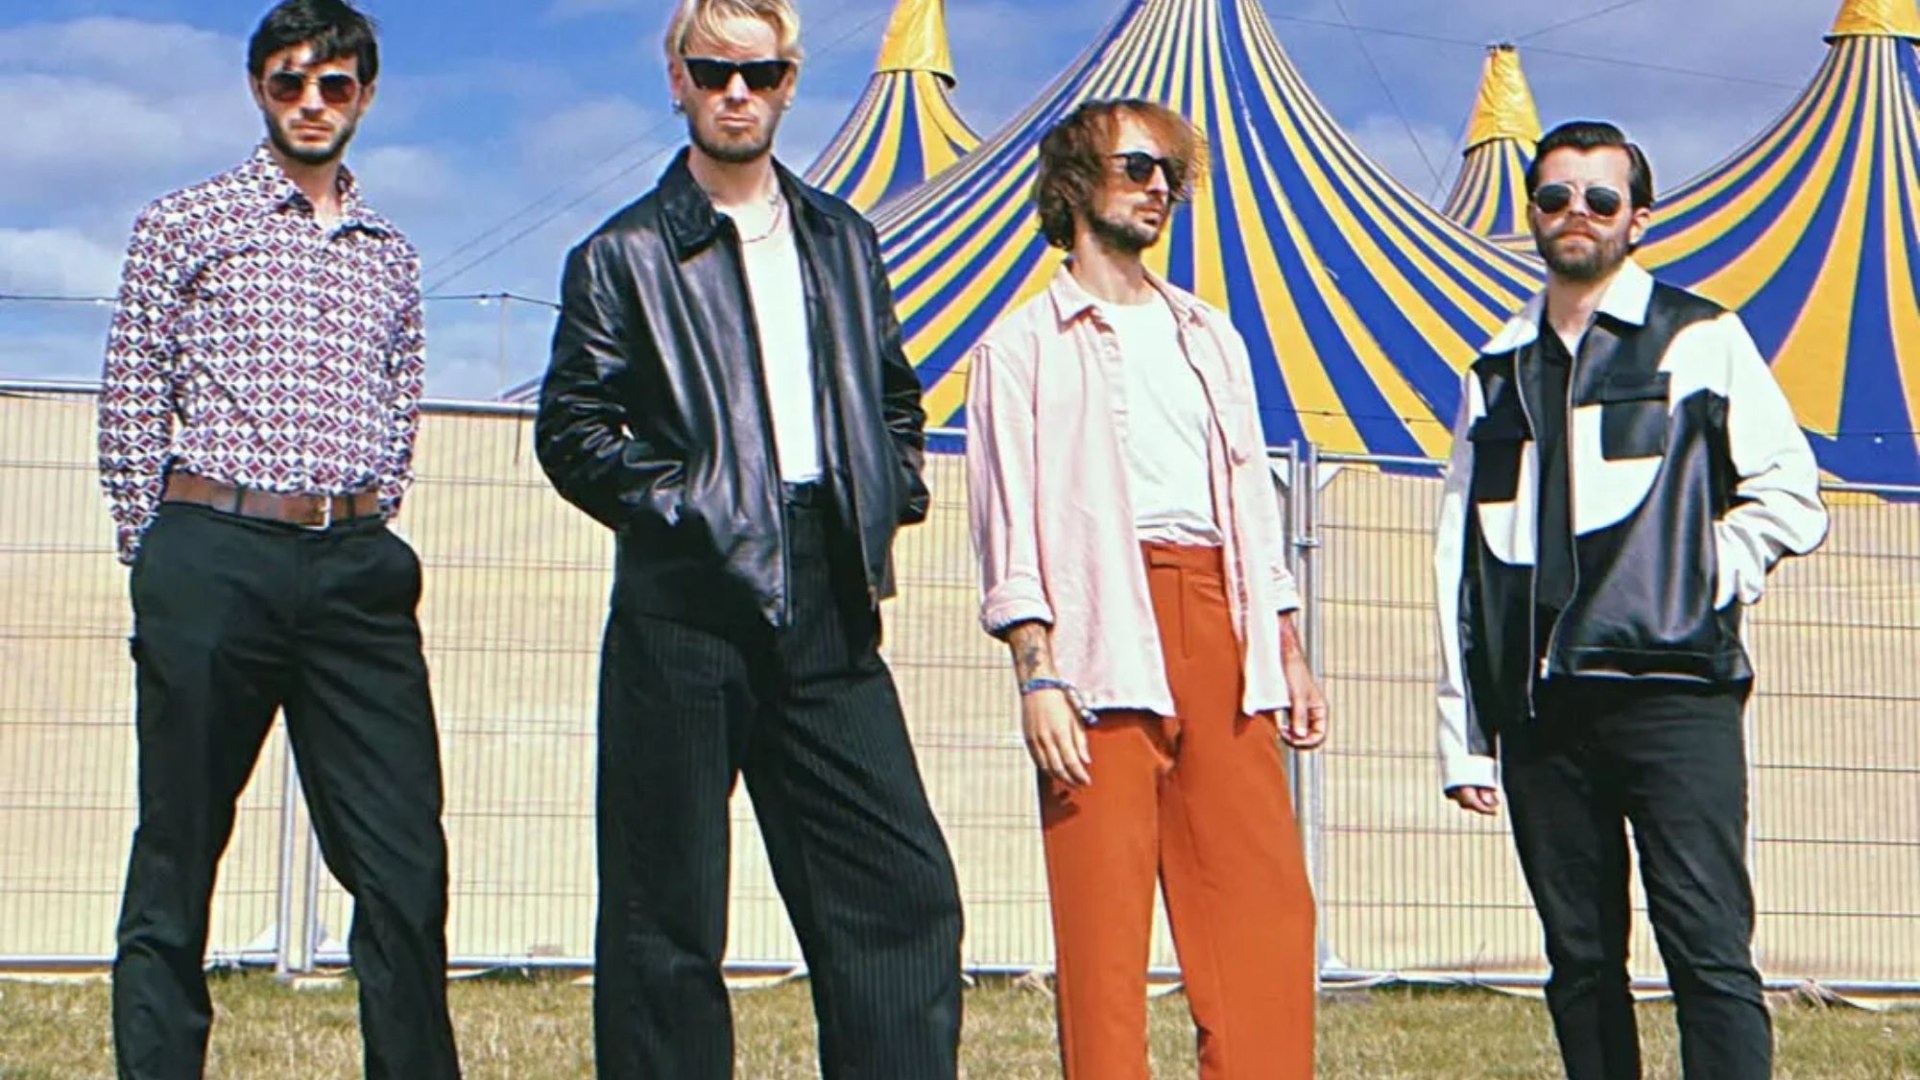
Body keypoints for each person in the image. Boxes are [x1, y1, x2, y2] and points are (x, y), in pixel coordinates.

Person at [532, 1, 963, 1076]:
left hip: (830, 598)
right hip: (685, 604)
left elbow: (894, 398)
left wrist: (887, 491)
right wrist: (696, 510)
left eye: (760, 73)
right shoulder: (622, 254)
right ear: (676, 78)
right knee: (665, 913)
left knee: (902, 894)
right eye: (714, 70)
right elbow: (573, 430)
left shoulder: (842, 241)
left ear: (789, 82)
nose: (737, 92)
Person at [95, 2, 461, 1077]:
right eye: (289, 81)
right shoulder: (183, 223)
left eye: (333, 84)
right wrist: (160, 551)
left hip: (354, 567)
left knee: (404, 863)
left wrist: (362, 519)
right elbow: (131, 393)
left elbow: (400, 402)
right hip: (214, 549)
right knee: (179, 846)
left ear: (365, 96)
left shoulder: (391, 254)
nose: (311, 102)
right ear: (258, 87)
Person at [1434, 120, 1829, 1080]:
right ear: (1533, 212)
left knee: (1707, 948)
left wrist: (1711, 569)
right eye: (1555, 196)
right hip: (1541, 709)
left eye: (1601, 198)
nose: (1577, 213)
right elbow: (1460, 556)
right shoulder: (1495, 367)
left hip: (1674, 692)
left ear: (1637, 219)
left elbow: (1789, 490)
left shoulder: (1701, 337)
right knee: (1579, 962)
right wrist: (1466, 733)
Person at [964, 98, 1327, 1080]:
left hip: (1219, 620)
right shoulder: (1019, 348)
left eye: (1170, 170)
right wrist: (1038, 674)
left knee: (1264, 914)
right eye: (1136, 167)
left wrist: (1284, 644)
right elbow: (1008, 529)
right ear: (1075, 183)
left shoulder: (1211, 335)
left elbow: (1250, 499)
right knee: (1103, 935)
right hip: (1094, 637)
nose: (1159, 186)